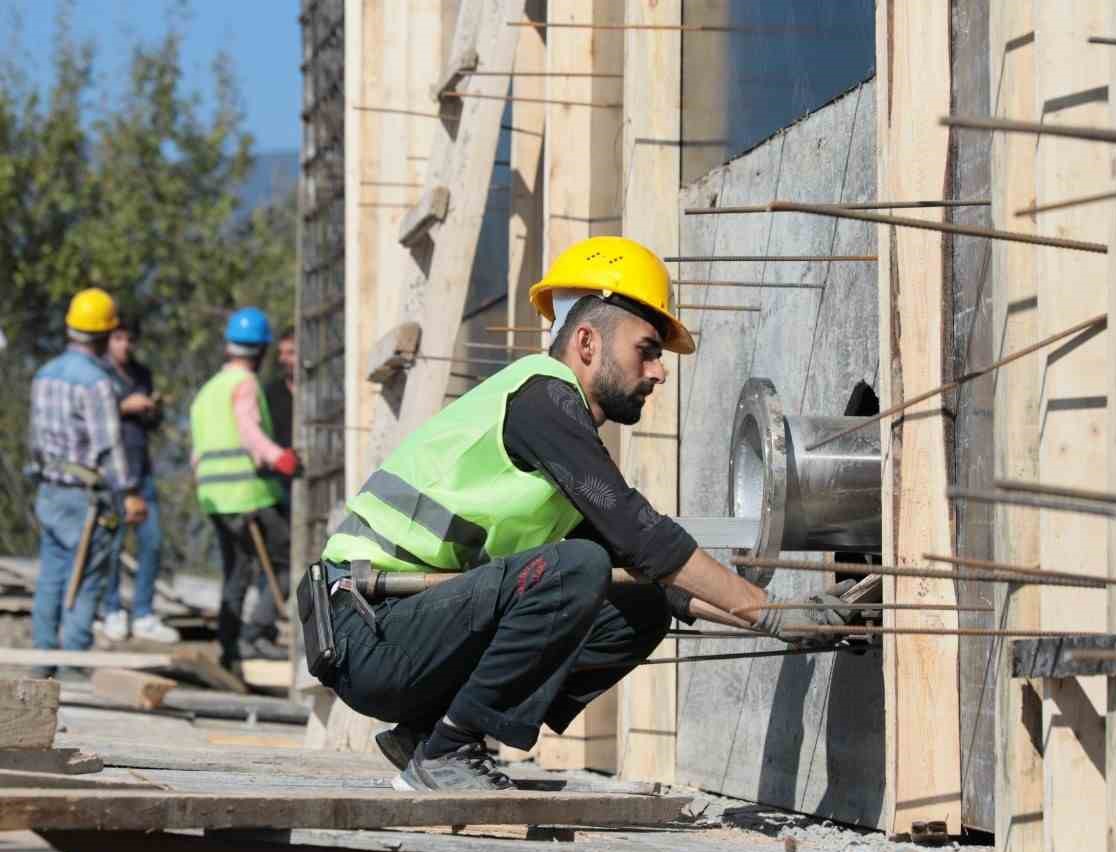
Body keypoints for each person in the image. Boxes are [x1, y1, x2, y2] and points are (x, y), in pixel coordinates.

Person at [313, 236, 848, 791]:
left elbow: (657, 576)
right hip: (368, 628)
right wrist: (767, 609)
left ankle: (429, 734)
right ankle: (448, 752)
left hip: (402, 627)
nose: (659, 373)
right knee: (578, 568)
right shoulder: (542, 400)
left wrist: (789, 618)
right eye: (647, 349)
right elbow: (644, 537)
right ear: (587, 342)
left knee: (640, 604)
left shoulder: (552, 436)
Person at [28, 288, 148, 677]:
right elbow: (109, 447)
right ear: (103, 335)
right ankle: (73, 664)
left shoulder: (44, 376)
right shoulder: (96, 383)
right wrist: (129, 493)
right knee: (87, 578)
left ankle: (42, 659)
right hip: (85, 499)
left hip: (49, 491)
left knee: (51, 574)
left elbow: (34, 442)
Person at [190, 307, 298, 669]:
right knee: (285, 559)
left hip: (216, 499)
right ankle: (257, 633)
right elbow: (249, 432)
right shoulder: (245, 385)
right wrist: (279, 457)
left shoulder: (207, 391)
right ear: (263, 350)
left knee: (235, 572)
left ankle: (230, 648)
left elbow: (198, 452)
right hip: (249, 494)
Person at [96, 319, 180, 644]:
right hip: (111, 475)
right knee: (113, 543)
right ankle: (111, 608)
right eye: (118, 338)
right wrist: (123, 406)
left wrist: (152, 409)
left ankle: (143, 612)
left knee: (153, 540)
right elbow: (94, 416)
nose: (125, 345)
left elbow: (153, 423)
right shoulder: (100, 374)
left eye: (130, 339)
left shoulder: (141, 374)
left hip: (141, 470)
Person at [245, 326, 296, 646]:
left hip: (304, 484)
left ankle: (262, 626)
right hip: (275, 486)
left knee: (289, 558)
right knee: (280, 560)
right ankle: (259, 627)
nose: (284, 359)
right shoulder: (270, 393)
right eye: (281, 353)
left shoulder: (323, 391)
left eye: (290, 352)